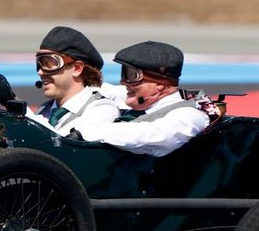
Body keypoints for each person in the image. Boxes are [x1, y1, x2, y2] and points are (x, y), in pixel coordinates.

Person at [73, 40, 210, 157]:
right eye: (124, 73)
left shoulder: (189, 114)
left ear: (161, 84)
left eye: (132, 75)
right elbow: (97, 89)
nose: (124, 82)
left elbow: (156, 137)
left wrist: (88, 130)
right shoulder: (140, 98)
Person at [25, 26, 119, 136]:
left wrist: (25, 114)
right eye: (40, 63)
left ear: (77, 68)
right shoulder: (44, 110)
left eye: (49, 63)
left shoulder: (102, 109)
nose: (41, 72)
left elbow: (60, 145)